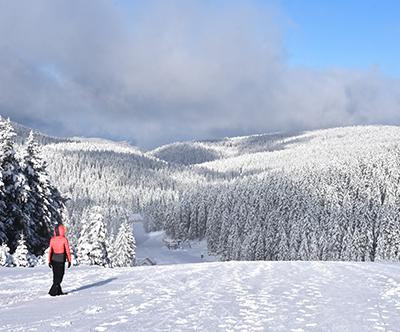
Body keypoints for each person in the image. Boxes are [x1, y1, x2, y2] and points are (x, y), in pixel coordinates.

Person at [48, 225, 72, 296]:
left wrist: (49, 261)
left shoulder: (52, 239)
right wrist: (69, 260)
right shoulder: (64, 239)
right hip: (61, 260)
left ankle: (59, 291)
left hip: (53, 260)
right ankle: (52, 292)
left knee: (56, 275)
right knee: (60, 276)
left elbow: (50, 251)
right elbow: (67, 251)